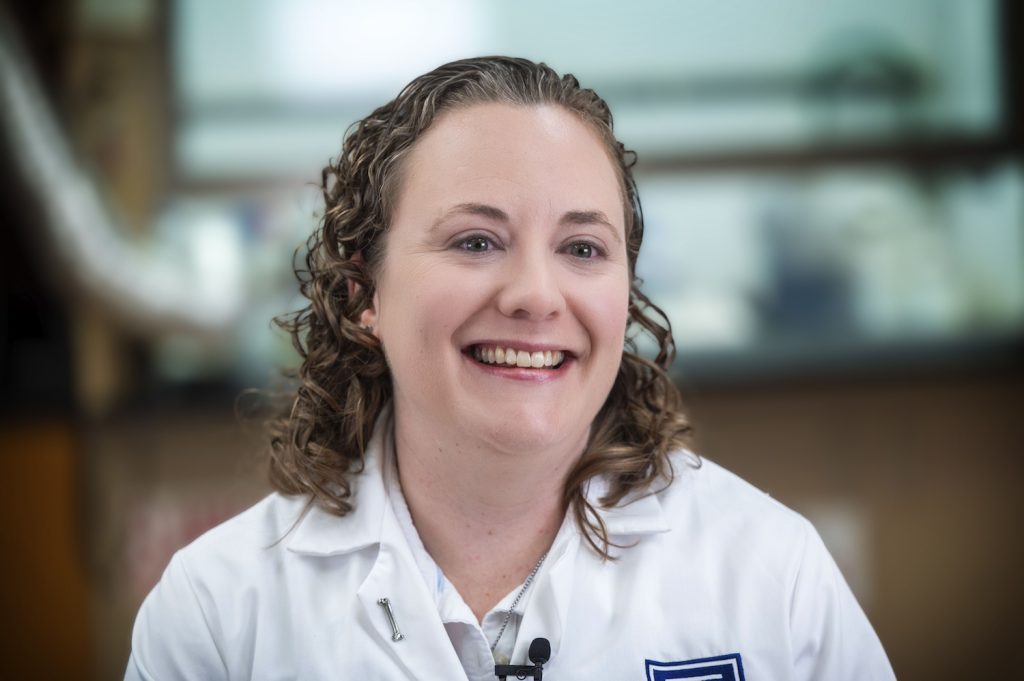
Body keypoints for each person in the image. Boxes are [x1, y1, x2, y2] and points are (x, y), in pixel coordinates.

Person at [125, 56, 896, 681]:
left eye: (583, 248)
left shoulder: (770, 575)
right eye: (475, 241)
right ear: (364, 292)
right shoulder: (219, 615)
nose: (535, 295)